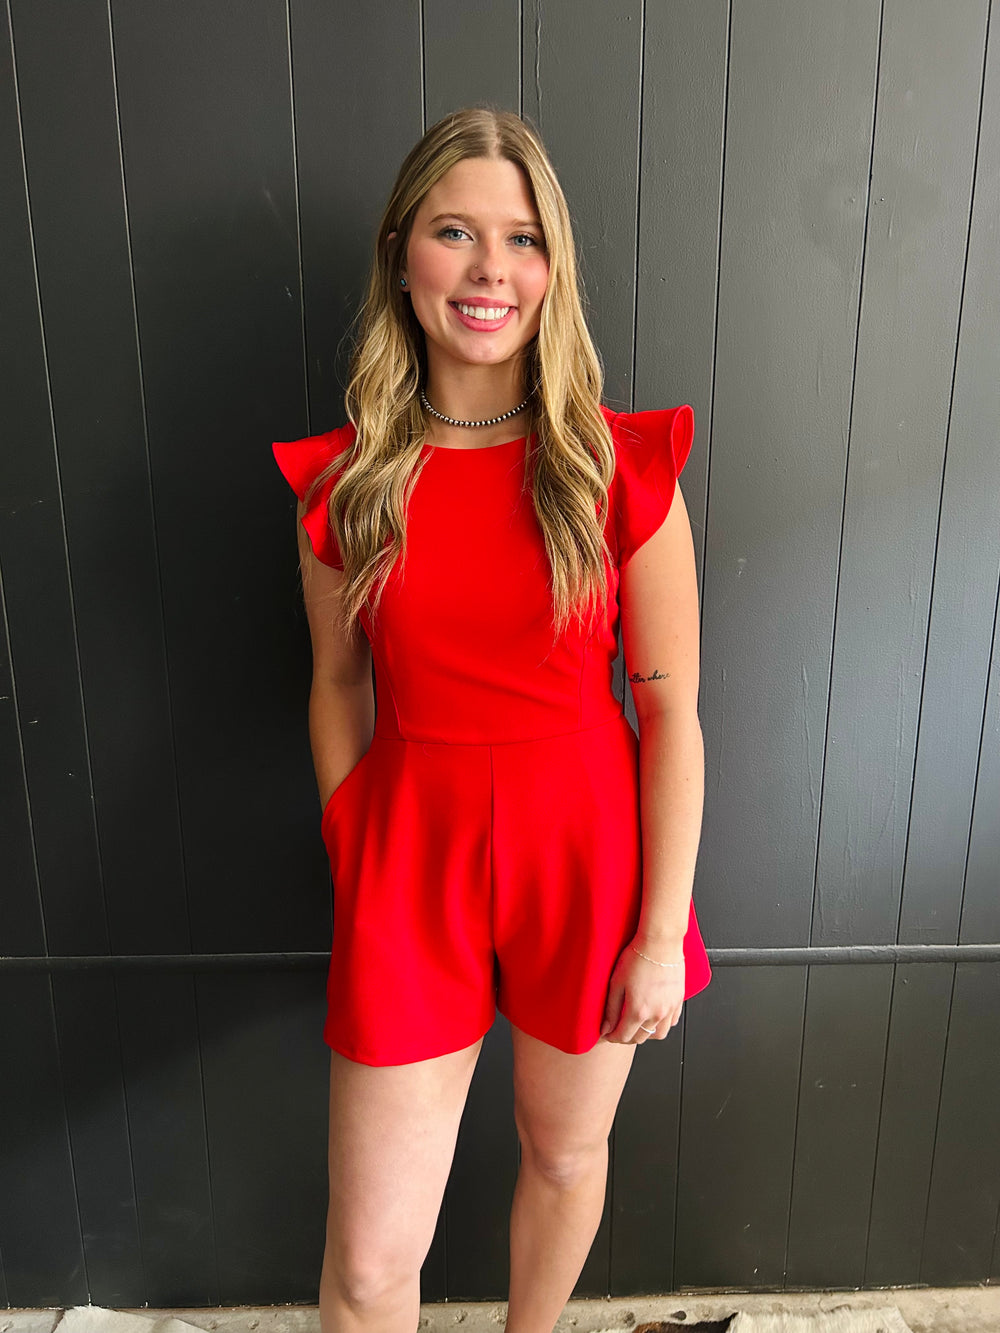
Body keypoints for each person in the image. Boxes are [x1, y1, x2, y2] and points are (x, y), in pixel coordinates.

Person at [272, 106, 712, 1333]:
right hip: (410, 858)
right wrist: (354, 835)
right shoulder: (348, 482)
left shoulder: (619, 470)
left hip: (588, 858)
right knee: (369, 1262)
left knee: (564, 1154)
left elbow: (670, 709)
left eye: (521, 239)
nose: (488, 270)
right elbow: (337, 683)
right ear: (401, 252)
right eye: (455, 232)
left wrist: (660, 929)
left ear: (552, 267)